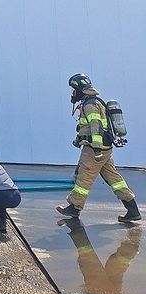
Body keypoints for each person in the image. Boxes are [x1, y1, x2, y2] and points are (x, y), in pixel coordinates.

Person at [56, 74, 141, 223]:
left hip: (95, 150)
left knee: (84, 177)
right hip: (105, 149)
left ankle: (74, 207)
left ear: (80, 89)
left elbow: (96, 126)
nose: (73, 93)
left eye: (74, 89)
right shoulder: (94, 102)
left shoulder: (90, 104)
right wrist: (78, 139)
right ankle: (132, 209)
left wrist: (95, 147)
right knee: (115, 180)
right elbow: (87, 127)